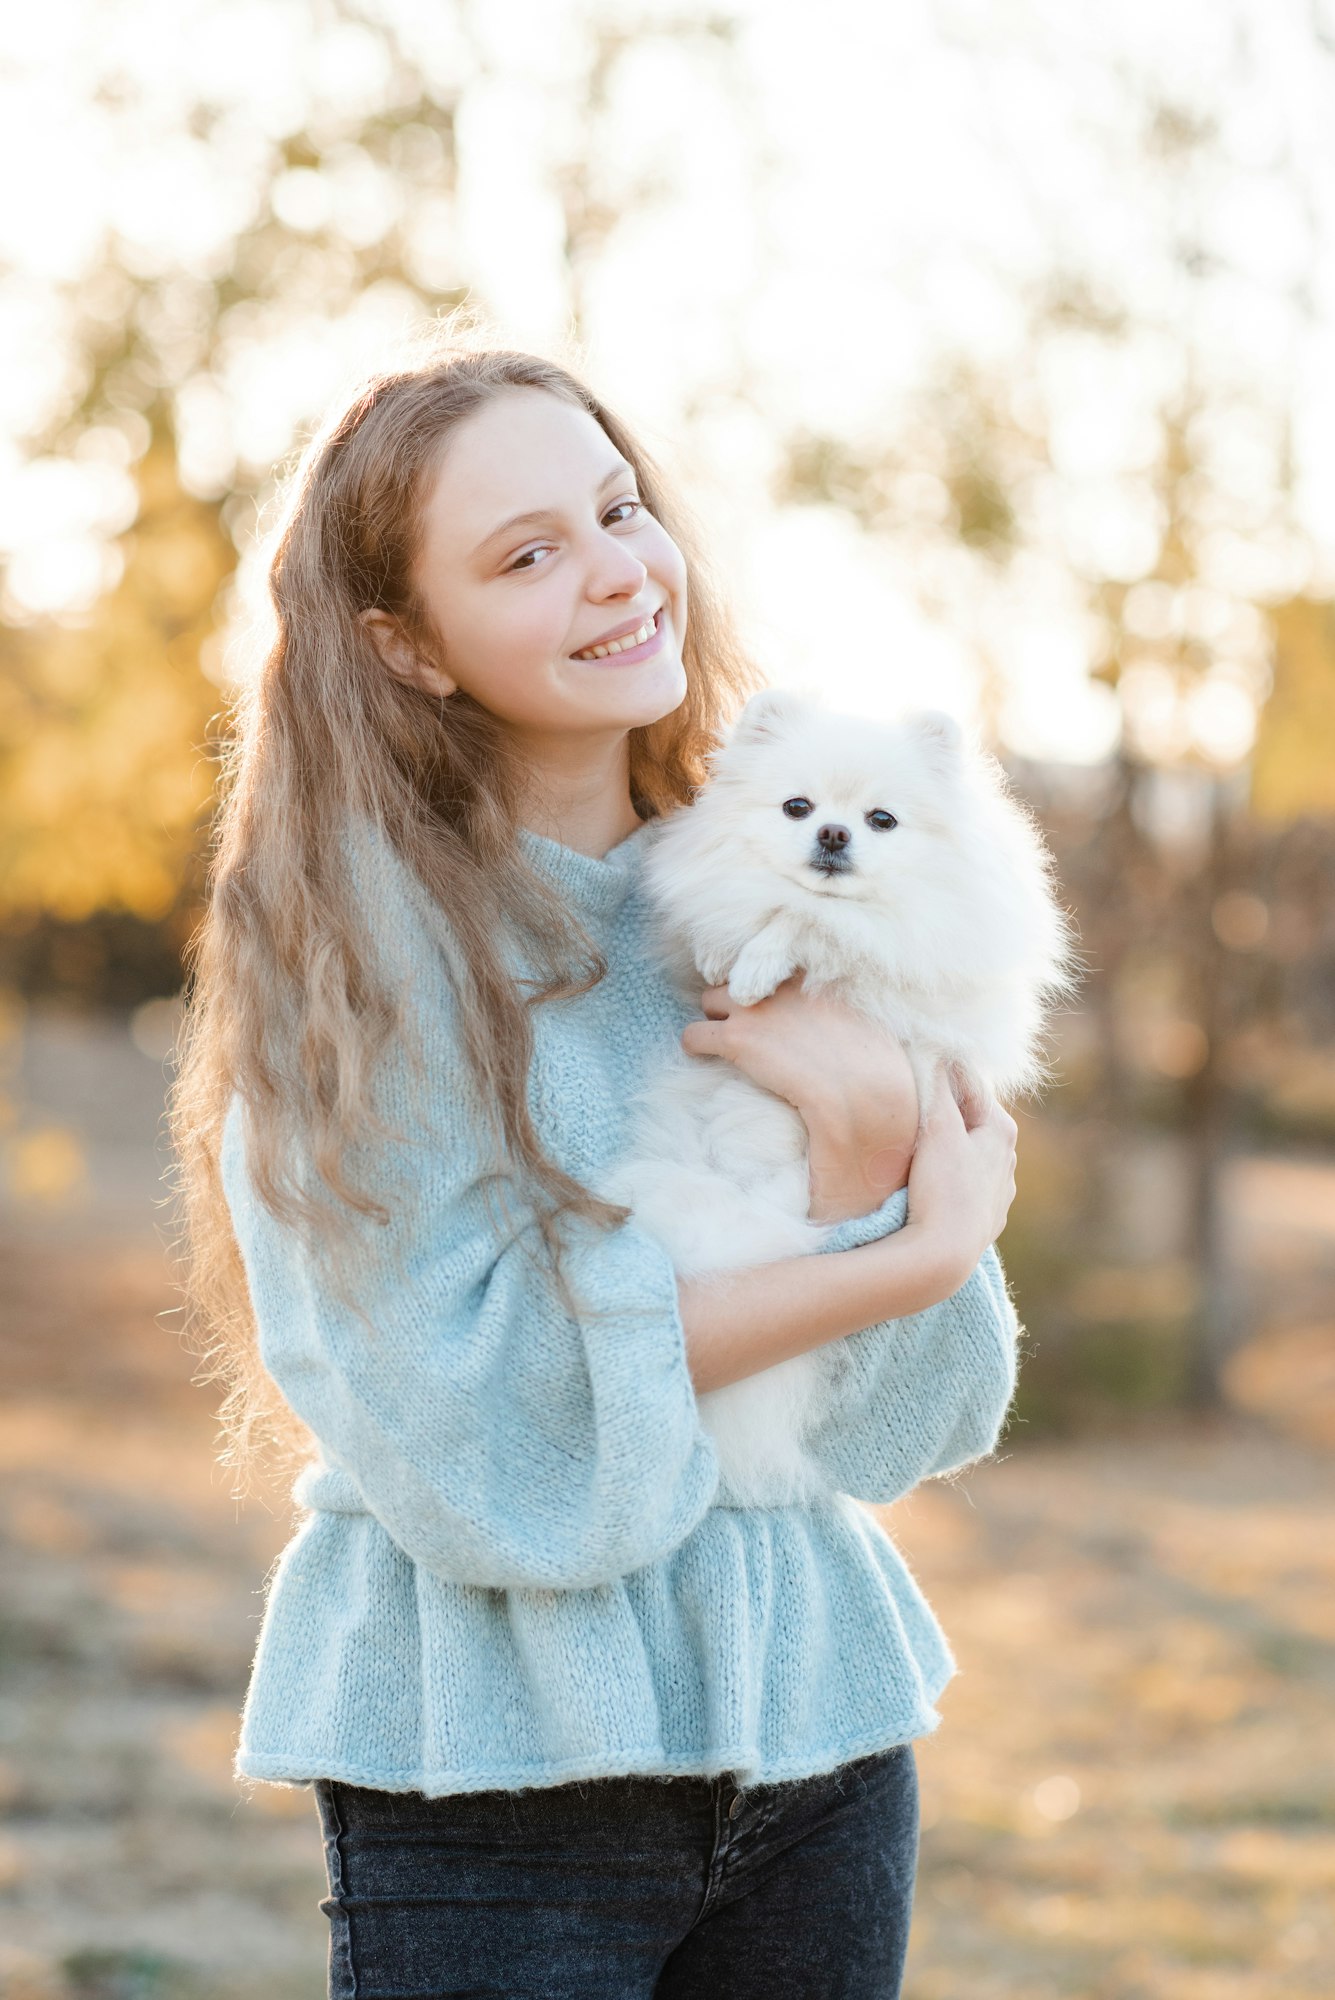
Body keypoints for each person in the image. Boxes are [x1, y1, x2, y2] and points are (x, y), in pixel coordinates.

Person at [169, 328, 1020, 2000]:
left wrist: (866, 1180)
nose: (620, 572)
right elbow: (477, 1425)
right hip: (500, 1778)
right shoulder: (357, 966)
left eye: (618, 508)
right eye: (528, 553)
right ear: (405, 646)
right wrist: (896, 1249)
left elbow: (925, 1420)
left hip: (820, 1730)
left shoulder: (796, 900)